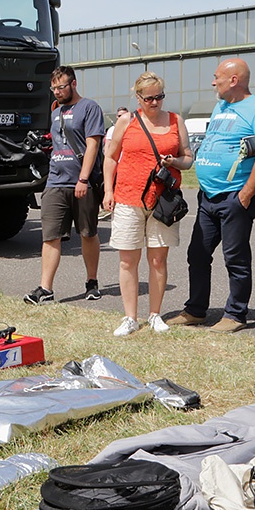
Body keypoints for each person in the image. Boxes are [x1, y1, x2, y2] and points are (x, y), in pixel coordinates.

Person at [167, 58, 255, 333]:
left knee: (235, 257)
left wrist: (246, 194)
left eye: (216, 76)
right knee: (198, 254)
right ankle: (195, 310)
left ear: (234, 80)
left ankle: (235, 314)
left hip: (236, 196)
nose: (212, 81)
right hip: (208, 197)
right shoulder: (221, 106)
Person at [102, 73, 192, 336]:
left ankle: (155, 315)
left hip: (164, 200)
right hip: (129, 197)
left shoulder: (176, 121)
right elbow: (110, 158)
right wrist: (108, 190)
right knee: (128, 260)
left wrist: (174, 162)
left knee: (158, 259)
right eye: (149, 98)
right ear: (138, 97)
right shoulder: (126, 121)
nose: (155, 103)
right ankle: (130, 317)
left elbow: (187, 157)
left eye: (159, 97)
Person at [24, 65, 104, 305]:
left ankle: (92, 282)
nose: (57, 92)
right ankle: (45, 288)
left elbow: (93, 145)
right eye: (54, 88)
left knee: (87, 234)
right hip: (55, 181)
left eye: (61, 87)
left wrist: (83, 178)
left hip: (81, 182)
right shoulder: (55, 111)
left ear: (74, 84)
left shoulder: (89, 108)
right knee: (50, 236)